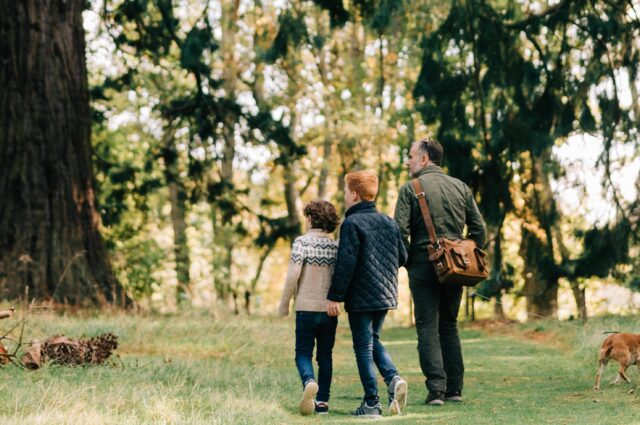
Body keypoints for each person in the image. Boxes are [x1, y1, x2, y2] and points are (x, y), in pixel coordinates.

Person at [394, 138, 486, 405]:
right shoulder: (461, 187)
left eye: (410, 156)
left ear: (424, 159)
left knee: (427, 327)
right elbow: (479, 230)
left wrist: (408, 260)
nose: (407, 160)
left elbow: (399, 232)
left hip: (423, 265)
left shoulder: (411, 188)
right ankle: (455, 389)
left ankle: (436, 391)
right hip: (455, 266)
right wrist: (465, 253)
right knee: (449, 326)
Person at [326, 170, 409, 418]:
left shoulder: (352, 223)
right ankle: (393, 379)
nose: (344, 196)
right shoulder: (388, 221)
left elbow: (346, 263)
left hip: (361, 295)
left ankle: (372, 403)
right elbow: (403, 256)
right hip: (384, 293)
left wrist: (335, 296)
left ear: (353, 194)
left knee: (363, 346)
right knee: (373, 339)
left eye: (345, 192)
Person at [278, 200, 340, 415]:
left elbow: (293, 275)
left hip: (305, 308)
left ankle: (308, 381)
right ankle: (322, 402)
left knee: (302, 353)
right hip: (329, 310)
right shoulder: (335, 245)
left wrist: (284, 303)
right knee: (325, 356)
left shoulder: (302, 243)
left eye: (307, 216)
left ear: (312, 218)